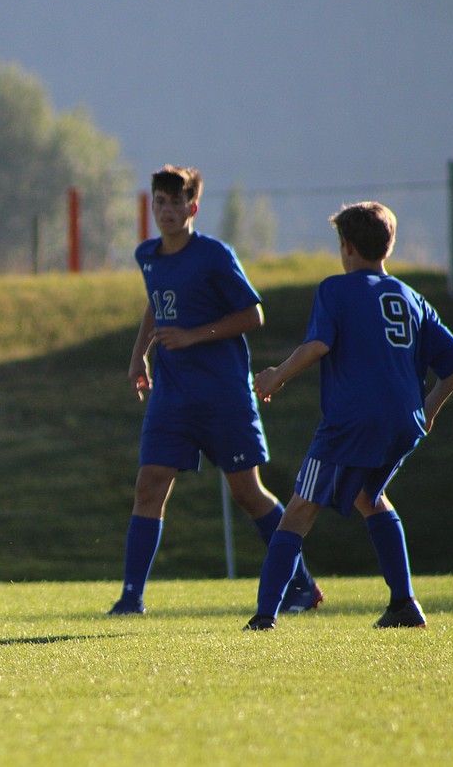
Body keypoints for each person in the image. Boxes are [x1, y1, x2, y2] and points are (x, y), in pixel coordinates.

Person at [244, 201, 453, 631]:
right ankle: (404, 604)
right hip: (403, 421)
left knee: (298, 510)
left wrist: (276, 376)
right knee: (370, 497)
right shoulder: (412, 298)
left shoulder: (337, 288)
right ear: (388, 245)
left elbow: (316, 346)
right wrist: (431, 408)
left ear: (346, 246)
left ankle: (263, 617)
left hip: (352, 422)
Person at [109, 165, 321, 616]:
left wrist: (191, 335)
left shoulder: (214, 255)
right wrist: (138, 355)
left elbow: (253, 315)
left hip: (223, 395)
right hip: (172, 396)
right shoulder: (147, 254)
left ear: (193, 206)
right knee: (149, 486)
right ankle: (131, 598)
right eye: (159, 202)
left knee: (247, 493)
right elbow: (156, 301)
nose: (166, 210)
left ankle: (302, 585)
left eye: (175, 202)